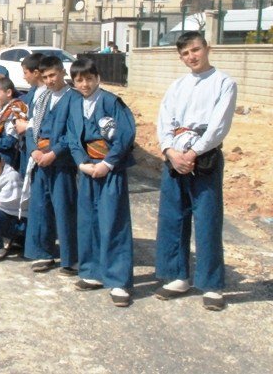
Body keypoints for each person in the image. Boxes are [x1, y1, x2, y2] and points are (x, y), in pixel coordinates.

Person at [154, 31, 237, 311]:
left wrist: (192, 152)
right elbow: (164, 119)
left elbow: (218, 125)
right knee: (174, 217)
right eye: (186, 53)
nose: (192, 56)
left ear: (207, 48)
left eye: (196, 50)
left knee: (207, 220)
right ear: (180, 57)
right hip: (175, 159)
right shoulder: (177, 86)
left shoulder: (223, 83)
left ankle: (211, 284)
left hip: (204, 160)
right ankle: (178, 275)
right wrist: (169, 151)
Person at [67, 58, 136, 307]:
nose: (84, 84)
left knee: (113, 222)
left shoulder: (110, 101)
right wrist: (81, 162)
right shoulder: (76, 105)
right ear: (73, 82)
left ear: (97, 78)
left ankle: (118, 280)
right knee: (88, 221)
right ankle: (91, 271)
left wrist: (108, 163)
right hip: (87, 169)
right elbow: (72, 137)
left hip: (110, 169)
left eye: (88, 78)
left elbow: (125, 134)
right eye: (79, 80)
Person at [24, 55, 77, 274]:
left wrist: (54, 153)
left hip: (61, 162)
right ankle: (42, 253)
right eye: (45, 77)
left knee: (64, 208)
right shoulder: (42, 97)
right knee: (40, 206)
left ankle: (71, 258)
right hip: (40, 160)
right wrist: (34, 150)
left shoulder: (73, 98)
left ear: (62, 72)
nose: (49, 80)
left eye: (53, 75)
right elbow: (30, 127)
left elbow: (74, 133)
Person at [14, 52, 46, 177]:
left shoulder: (48, 93)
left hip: (39, 148)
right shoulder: (33, 90)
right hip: (26, 145)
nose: (24, 77)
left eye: (26, 73)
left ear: (36, 73)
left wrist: (27, 126)